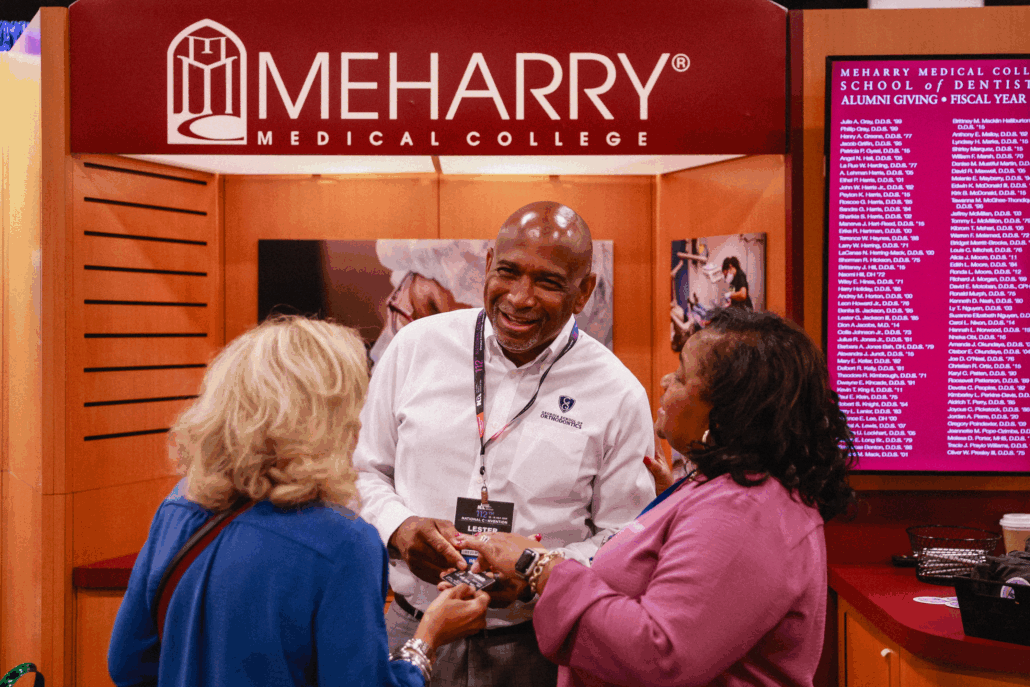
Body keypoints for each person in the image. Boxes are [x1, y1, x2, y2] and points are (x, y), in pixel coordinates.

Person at [458, 307, 857, 687]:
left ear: (725, 415)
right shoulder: (720, 487)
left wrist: (538, 565)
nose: (666, 382)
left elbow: (659, 653)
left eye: (682, 377)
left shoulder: (745, 510)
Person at [353, 201, 656, 686]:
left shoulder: (618, 393)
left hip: (542, 646)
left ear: (585, 293)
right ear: (489, 263)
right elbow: (363, 471)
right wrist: (400, 528)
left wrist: (538, 572)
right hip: (411, 629)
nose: (520, 298)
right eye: (509, 272)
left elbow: (626, 541)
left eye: (548, 281)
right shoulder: (415, 348)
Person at [108, 316, 490, 687]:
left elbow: (127, 664)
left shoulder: (178, 508)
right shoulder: (343, 542)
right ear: (326, 416)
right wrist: (427, 640)